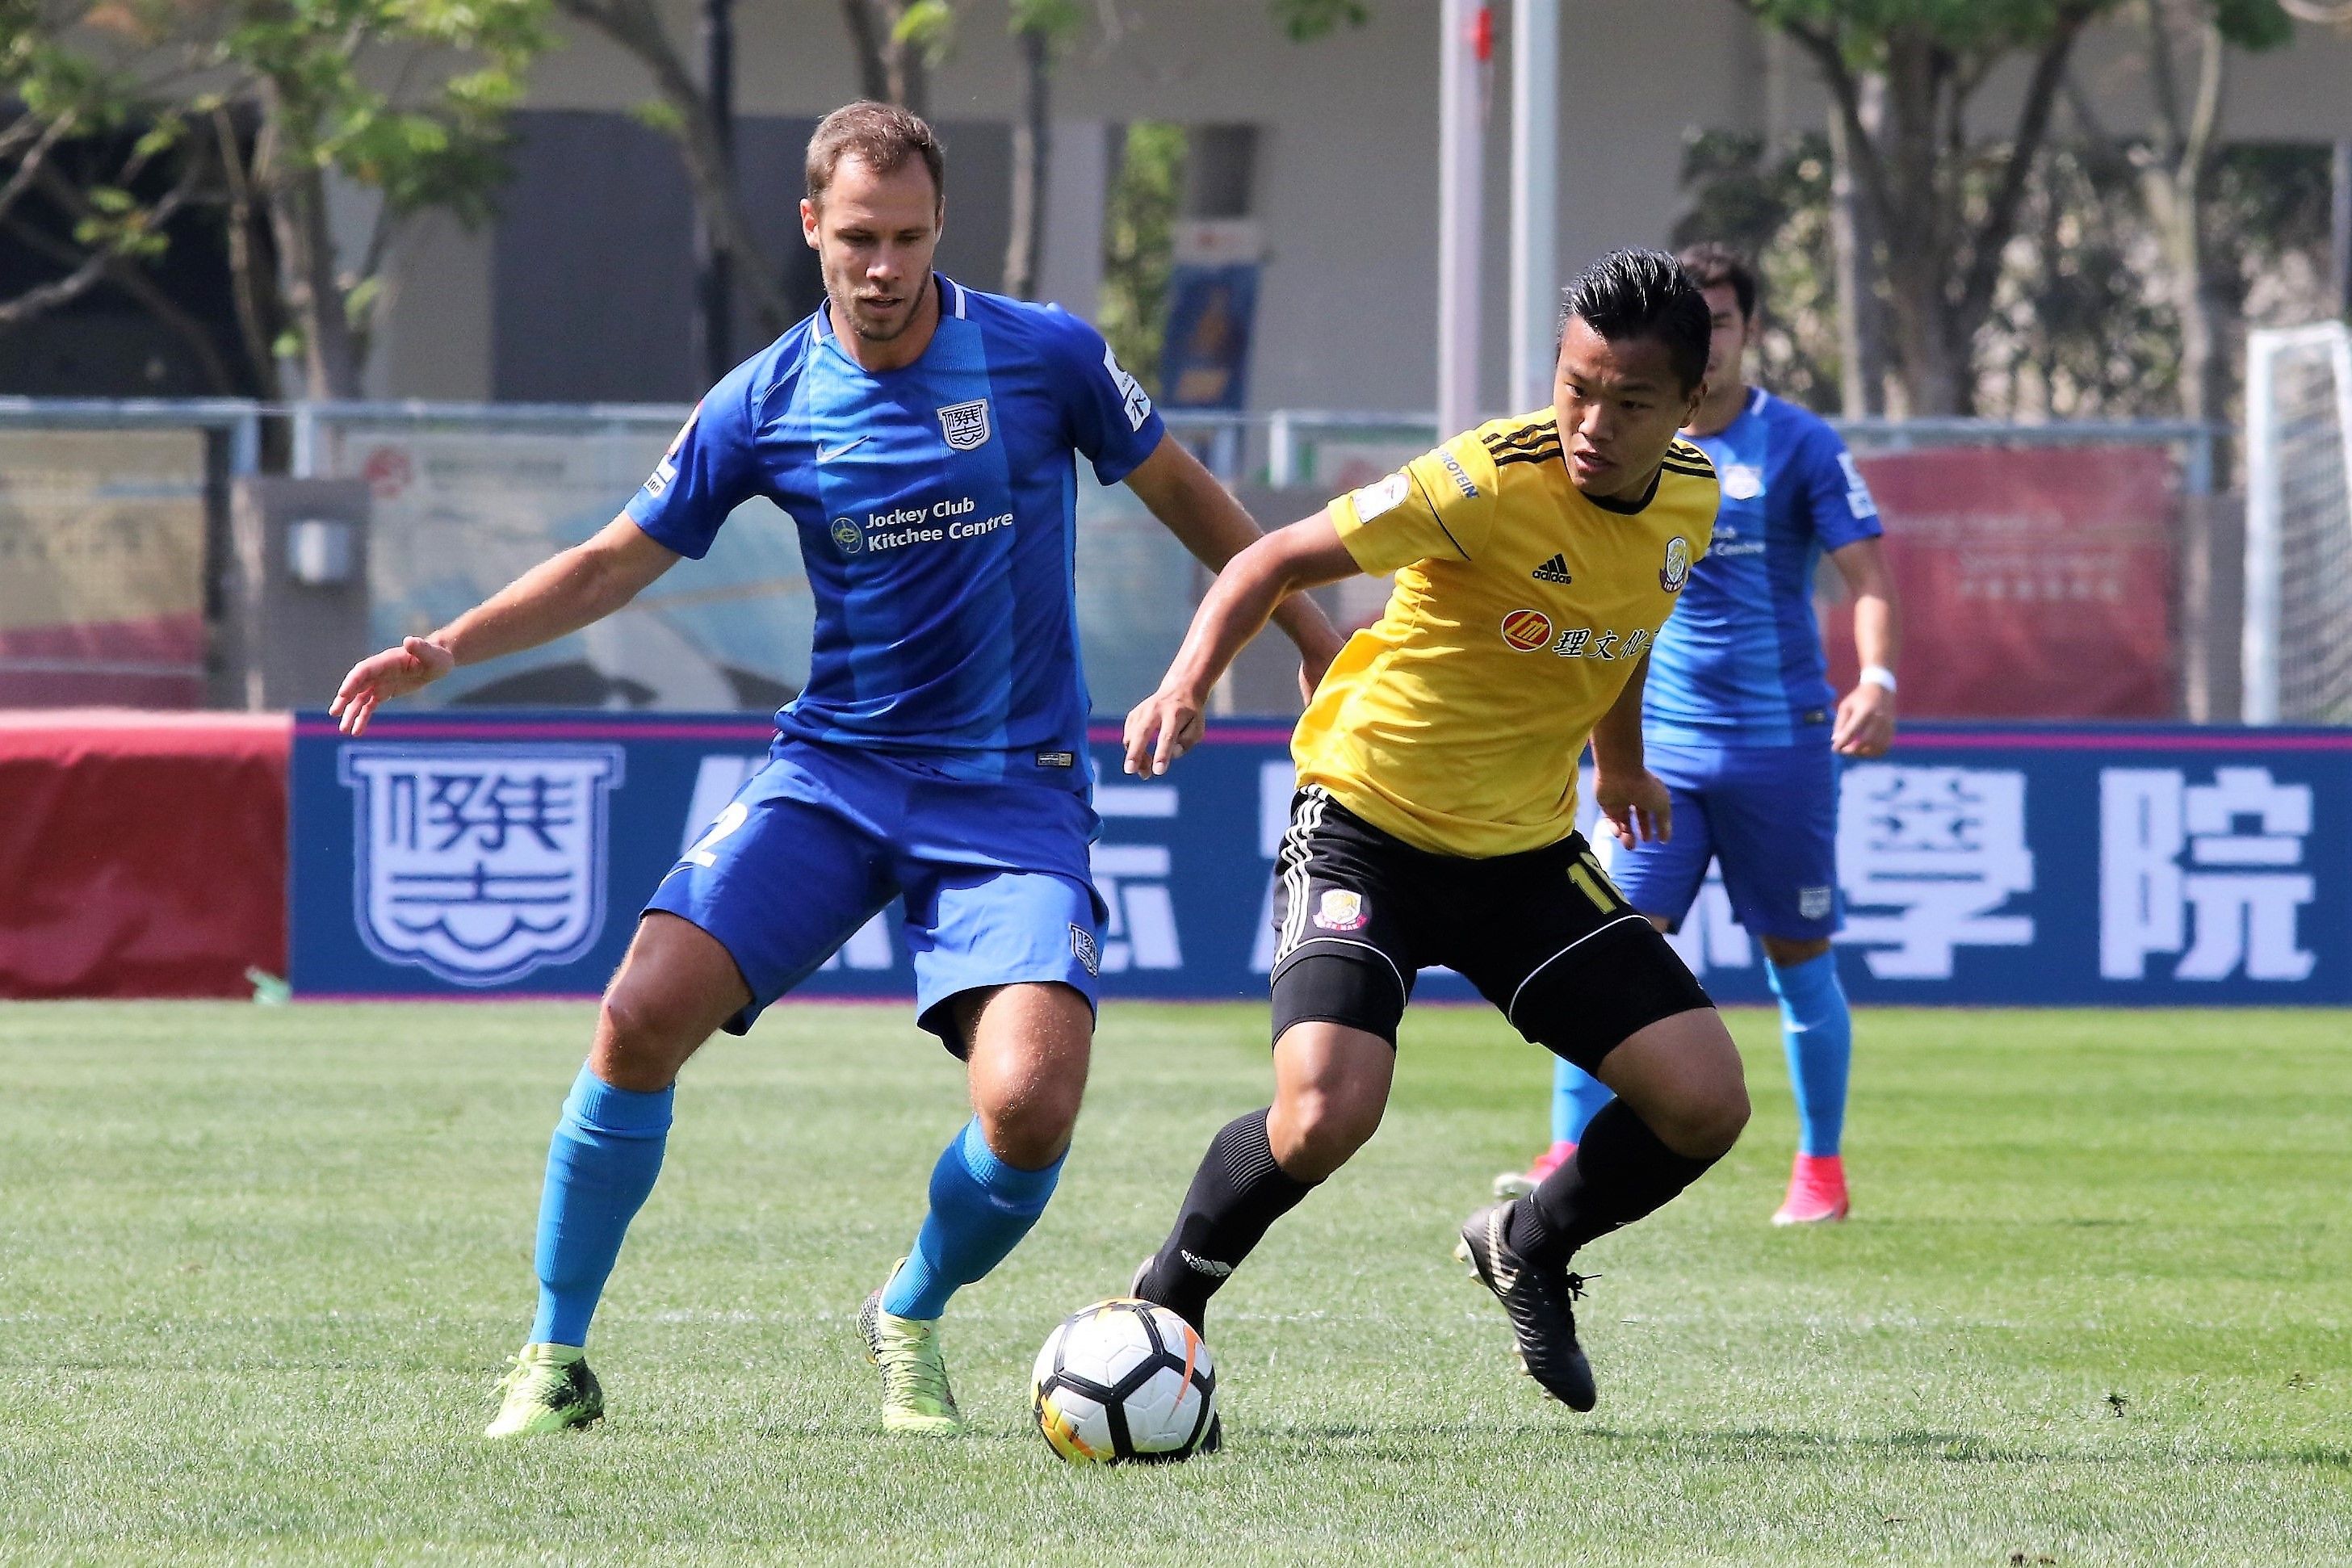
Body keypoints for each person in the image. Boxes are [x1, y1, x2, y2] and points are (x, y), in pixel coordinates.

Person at [329, 101, 1339, 1439]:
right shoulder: (765, 398)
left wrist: (1324, 647)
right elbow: (609, 561)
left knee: (1029, 1109)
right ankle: (555, 1356)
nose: (883, 267)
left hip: (1011, 795)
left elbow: (1194, 501)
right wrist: (449, 647)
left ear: (939, 230)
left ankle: (907, 1311)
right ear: (810, 225)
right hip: (835, 778)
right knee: (636, 1017)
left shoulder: (1043, 359)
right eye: (857, 237)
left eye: (908, 237)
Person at [1118, 249, 1746, 1416]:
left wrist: (1618, 761)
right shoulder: (1483, 480)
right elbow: (1269, 557)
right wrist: (1187, 681)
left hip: (1521, 856)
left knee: (1705, 1099)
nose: (1592, 423)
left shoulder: (1694, 498)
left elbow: (1623, 620)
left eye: (1629, 402)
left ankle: (1529, 1240)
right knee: (1322, 1112)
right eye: (1575, 387)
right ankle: (1161, 1308)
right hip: (1366, 823)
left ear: (1689, 407)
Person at [1494, 243, 1898, 1226]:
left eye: (1719, 323)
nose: (1707, 342)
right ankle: (1562, 1152)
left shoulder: (1796, 445)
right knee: (1602, 948)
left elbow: (1870, 580)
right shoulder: (1620, 444)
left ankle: (1820, 1172)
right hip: (1655, 748)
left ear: (1745, 332)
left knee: (1798, 956)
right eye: (1695, 323)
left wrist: (1877, 677)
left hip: (1781, 748)